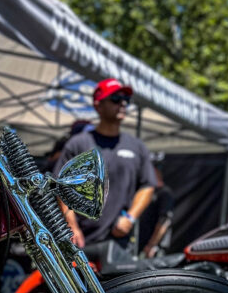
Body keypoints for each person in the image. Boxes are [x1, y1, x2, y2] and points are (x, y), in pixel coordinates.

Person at [52, 79, 156, 255]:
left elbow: (148, 185)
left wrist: (130, 218)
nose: (122, 103)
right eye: (115, 98)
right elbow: (60, 186)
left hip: (118, 243)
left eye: (126, 99)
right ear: (98, 105)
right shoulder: (79, 143)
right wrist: (71, 226)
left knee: (120, 283)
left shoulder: (136, 146)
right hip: (79, 241)